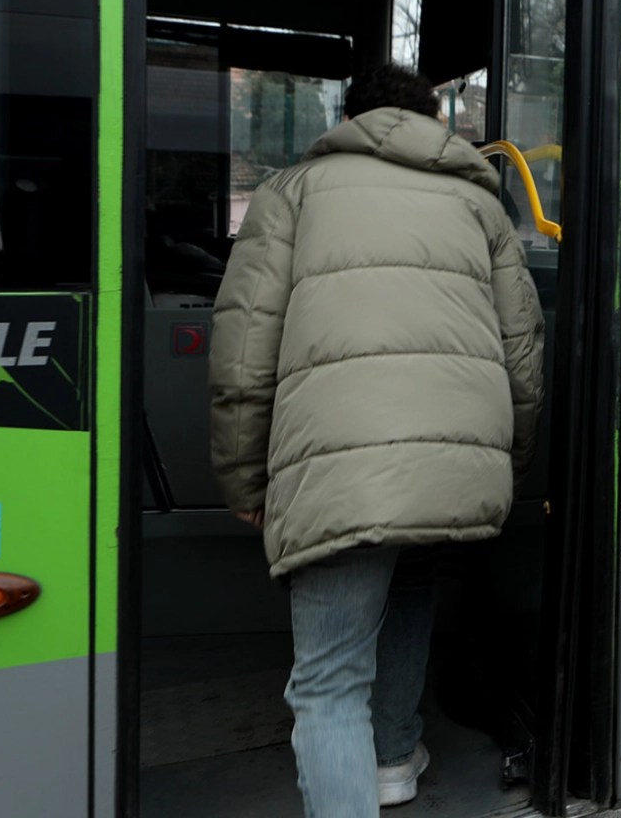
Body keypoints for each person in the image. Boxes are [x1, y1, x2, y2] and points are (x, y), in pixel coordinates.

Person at [209, 64, 545, 816]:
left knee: (329, 681)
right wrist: (504, 464)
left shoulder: (291, 191)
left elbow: (242, 352)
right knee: (412, 578)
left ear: (350, 117)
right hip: (451, 462)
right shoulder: (479, 203)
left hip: (339, 468)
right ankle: (393, 759)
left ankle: (374, 766)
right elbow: (523, 351)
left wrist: (242, 478)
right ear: (429, 118)